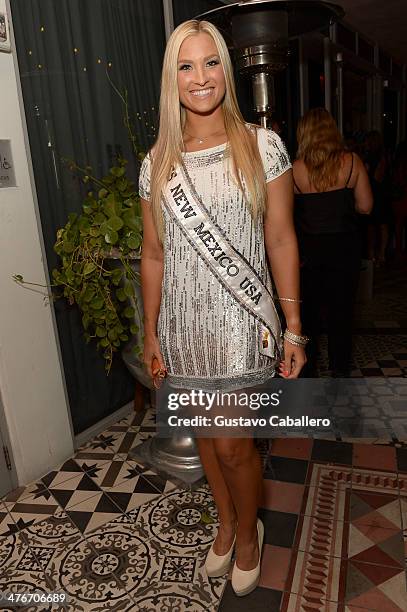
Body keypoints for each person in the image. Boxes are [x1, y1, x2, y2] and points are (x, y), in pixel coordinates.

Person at [139, 19, 306, 597]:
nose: (200, 77)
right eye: (186, 65)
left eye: (211, 62)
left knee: (232, 442)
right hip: (184, 329)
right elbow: (153, 254)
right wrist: (153, 332)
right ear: (172, 78)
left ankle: (251, 533)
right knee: (206, 439)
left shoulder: (263, 145)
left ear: (226, 72)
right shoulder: (158, 162)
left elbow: (282, 238)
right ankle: (228, 523)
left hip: (241, 326)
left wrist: (294, 328)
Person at [293, 108, 373, 377]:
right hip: (345, 251)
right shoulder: (351, 162)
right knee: (342, 317)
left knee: (309, 319)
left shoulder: (296, 170)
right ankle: (340, 377)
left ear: (304, 134)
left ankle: (308, 375)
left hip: (309, 254)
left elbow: (286, 215)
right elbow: (366, 207)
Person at [364, 130, 391, 265]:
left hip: (375, 193)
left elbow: (377, 177)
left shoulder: (375, 157)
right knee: (380, 225)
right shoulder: (384, 155)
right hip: (381, 194)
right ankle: (380, 254)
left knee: (375, 226)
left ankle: (374, 254)